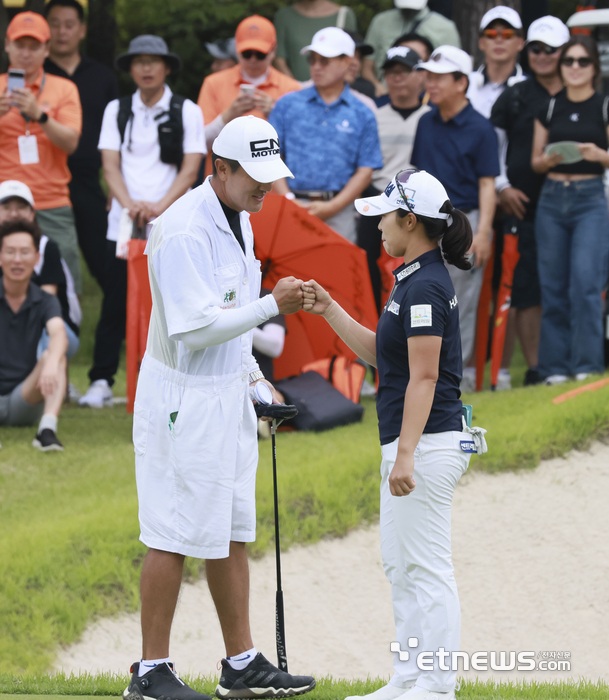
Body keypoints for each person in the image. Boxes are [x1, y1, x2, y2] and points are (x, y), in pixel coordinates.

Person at [125, 115, 315, 700]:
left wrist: (258, 381)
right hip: (181, 399)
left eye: (269, 175)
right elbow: (194, 328)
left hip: (225, 393)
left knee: (232, 528)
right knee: (174, 533)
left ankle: (241, 662)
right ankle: (150, 671)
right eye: (253, 176)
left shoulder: (239, 217)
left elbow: (226, 322)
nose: (264, 187)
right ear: (220, 168)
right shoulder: (183, 228)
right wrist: (271, 306)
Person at [302, 169, 485, 700]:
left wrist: (405, 454)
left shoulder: (425, 285)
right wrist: (330, 308)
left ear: (410, 220)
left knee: (426, 568)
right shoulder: (411, 279)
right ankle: (409, 677)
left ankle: (436, 685)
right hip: (414, 443)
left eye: (386, 214)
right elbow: (387, 360)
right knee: (399, 564)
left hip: (426, 444)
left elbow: (425, 378)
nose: (379, 224)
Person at [78, 36, 205, 409]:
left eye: (154, 61)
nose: (147, 69)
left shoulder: (187, 110)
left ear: (167, 67)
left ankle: (177, 375)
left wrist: (161, 207)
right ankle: (102, 379)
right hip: (123, 220)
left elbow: (191, 168)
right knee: (116, 300)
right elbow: (110, 164)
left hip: (172, 223)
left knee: (175, 300)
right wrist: (130, 204)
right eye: (139, 62)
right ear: (130, 69)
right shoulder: (117, 109)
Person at [411, 46, 499, 388]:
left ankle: (453, 382)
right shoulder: (425, 121)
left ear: (461, 82)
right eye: (428, 76)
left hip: (466, 220)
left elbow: (487, 184)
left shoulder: (481, 128)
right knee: (423, 295)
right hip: (425, 222)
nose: (429, 83)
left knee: (459, 301)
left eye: (438, 78)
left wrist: (485, 231)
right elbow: (417, 175)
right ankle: (424, 376)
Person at [490, 16, 569, 389]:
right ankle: (529, 368)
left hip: (569, 202)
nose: (541, 56)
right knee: (523, 287)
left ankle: (562, 361)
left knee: (564, 281)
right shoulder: (517, 93)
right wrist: (502, 187)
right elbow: (495, 145)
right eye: (535, 48)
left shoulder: (579, 90)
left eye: (550, 50)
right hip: (520, 205)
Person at [531, 35, 609, 384]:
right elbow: (534, 162)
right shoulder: (549, 106)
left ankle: (588, 366)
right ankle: (555, 368)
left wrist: (598, 156)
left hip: (590, 199)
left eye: (582, 61)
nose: (575, 67)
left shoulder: (604, 105)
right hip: (551, 198)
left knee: (585, 284)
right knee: (553, 286)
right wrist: (546, 161)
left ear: (595, 67)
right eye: (569, 61)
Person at [269, 27, 383, 244]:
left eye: (324, 61)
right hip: (290, 205)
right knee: (290, 275)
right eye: (312, 60)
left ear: (347, 62)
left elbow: (366, 170)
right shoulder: (286, 104)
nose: (316, 67)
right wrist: (289, 199)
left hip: (339, 212)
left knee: (337, 276)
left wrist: (333, 206)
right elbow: (272, 157)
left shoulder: (363, 112)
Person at [0, 11, 82, 292]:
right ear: (7, 45)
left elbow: (71, 142)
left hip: (51, 202)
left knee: (64, 282)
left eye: (34, 46)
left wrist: (40, 116)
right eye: (19, 45)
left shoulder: (64, 88)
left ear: (46, 49)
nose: (26, 53)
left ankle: (66, 333)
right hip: (4, 202)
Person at [43, 0, 119, 290]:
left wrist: (114, 183)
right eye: (55, 24)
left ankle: (116, 323)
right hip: (47, 177)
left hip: (89, 178)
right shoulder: (38, 75)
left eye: (69, 24)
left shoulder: (102, 76)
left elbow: (117, 133)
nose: (62, 32)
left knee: (103, 257)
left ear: (82, 30)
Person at [357, 46, 430, 312]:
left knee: (413, 268)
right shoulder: (373, 115)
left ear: (420, 76)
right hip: (377, 199)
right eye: (391, 72)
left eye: (404, 71)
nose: (397, 77)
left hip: (415, 205)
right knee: (368, 271)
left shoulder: (431, 117)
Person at [0, 218, 68, 451]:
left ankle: (46, 431)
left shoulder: (45, 300)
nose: (17, 260)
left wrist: (50, 363)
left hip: (24, 397)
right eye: (10, 252)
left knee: (56, 356)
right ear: (0, 257)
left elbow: (58, 332)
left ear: (37, 259)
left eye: (25, 252)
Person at [198, 15, 301, 160]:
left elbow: (301, 145)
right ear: (236, 49)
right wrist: (227, 116)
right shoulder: (213, 83)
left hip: (272, 181)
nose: (253, 59)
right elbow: (198, 144)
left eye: (260, 54)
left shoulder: (291, 88)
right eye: (246, 53)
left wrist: (276, 114)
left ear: (274, 50)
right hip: (223, 180)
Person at [0, 179, 80, 361]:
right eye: (6, 207)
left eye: (21, 207)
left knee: (39, 339)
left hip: (53, 325)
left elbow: (44, 304)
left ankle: (53, 382)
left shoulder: (46, 247)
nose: (13, 214)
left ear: (31, 213)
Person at [362, 0, 461, 97]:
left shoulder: (446, 27)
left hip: (426, 96)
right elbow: (366, 66)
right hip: (384, 92)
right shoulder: (381, 21)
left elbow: (453, 73)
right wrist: (377, 86)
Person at [274, 0, 357, 81]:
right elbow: (279, 59)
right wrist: (296, 90)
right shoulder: (284, 15)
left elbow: (351, 57)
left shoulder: (343, 15)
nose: (316, 67)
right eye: (311, 60)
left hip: (334, 90)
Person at [467, 5, 526, 119]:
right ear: (481, 42)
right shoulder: (464, 85)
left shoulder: (530, 89)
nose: (499, 40)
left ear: (520, 42)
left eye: (507, 34)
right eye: (491, 34)